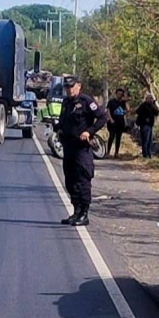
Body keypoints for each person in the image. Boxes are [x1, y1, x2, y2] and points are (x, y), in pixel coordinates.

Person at [58, 75, 107, 226]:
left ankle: (84, 214)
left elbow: (102, 117)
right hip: (68, 147)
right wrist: (59, 129)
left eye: (72, 87)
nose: (69, 90)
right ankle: (76, 211)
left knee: (82, 180)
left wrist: (89, 131)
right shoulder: (66, 102)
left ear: (79, 86)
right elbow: (63, 120)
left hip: (82, 148)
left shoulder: (86, 101)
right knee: (70, 181)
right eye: (67, 87)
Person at [135, 92, 159, 159]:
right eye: (150, 98)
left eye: (152, 98)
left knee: (150, 141)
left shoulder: (152, 106)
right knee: (145, 140)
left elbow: (157, 112)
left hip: (150, 125)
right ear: (146, 99)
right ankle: (145, 154)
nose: (151, 100)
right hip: (144, 125)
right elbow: (138, 112)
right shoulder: (143, 105)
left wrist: (154, 105)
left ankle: (149, 154)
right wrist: (145, 119)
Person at [105, 88, 128, 157]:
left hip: (120, 122)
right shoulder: (111, 102)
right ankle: (108, 152)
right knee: (111, 136)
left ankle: (116, 153)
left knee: (119, 137)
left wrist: (126, 100)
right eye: (118, 94)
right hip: (112, 122)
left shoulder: (123, 102)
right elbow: (108, 110)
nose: (119, 95)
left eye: (121, 94)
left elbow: (128, 110)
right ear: (116, 94)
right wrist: (110, 119)